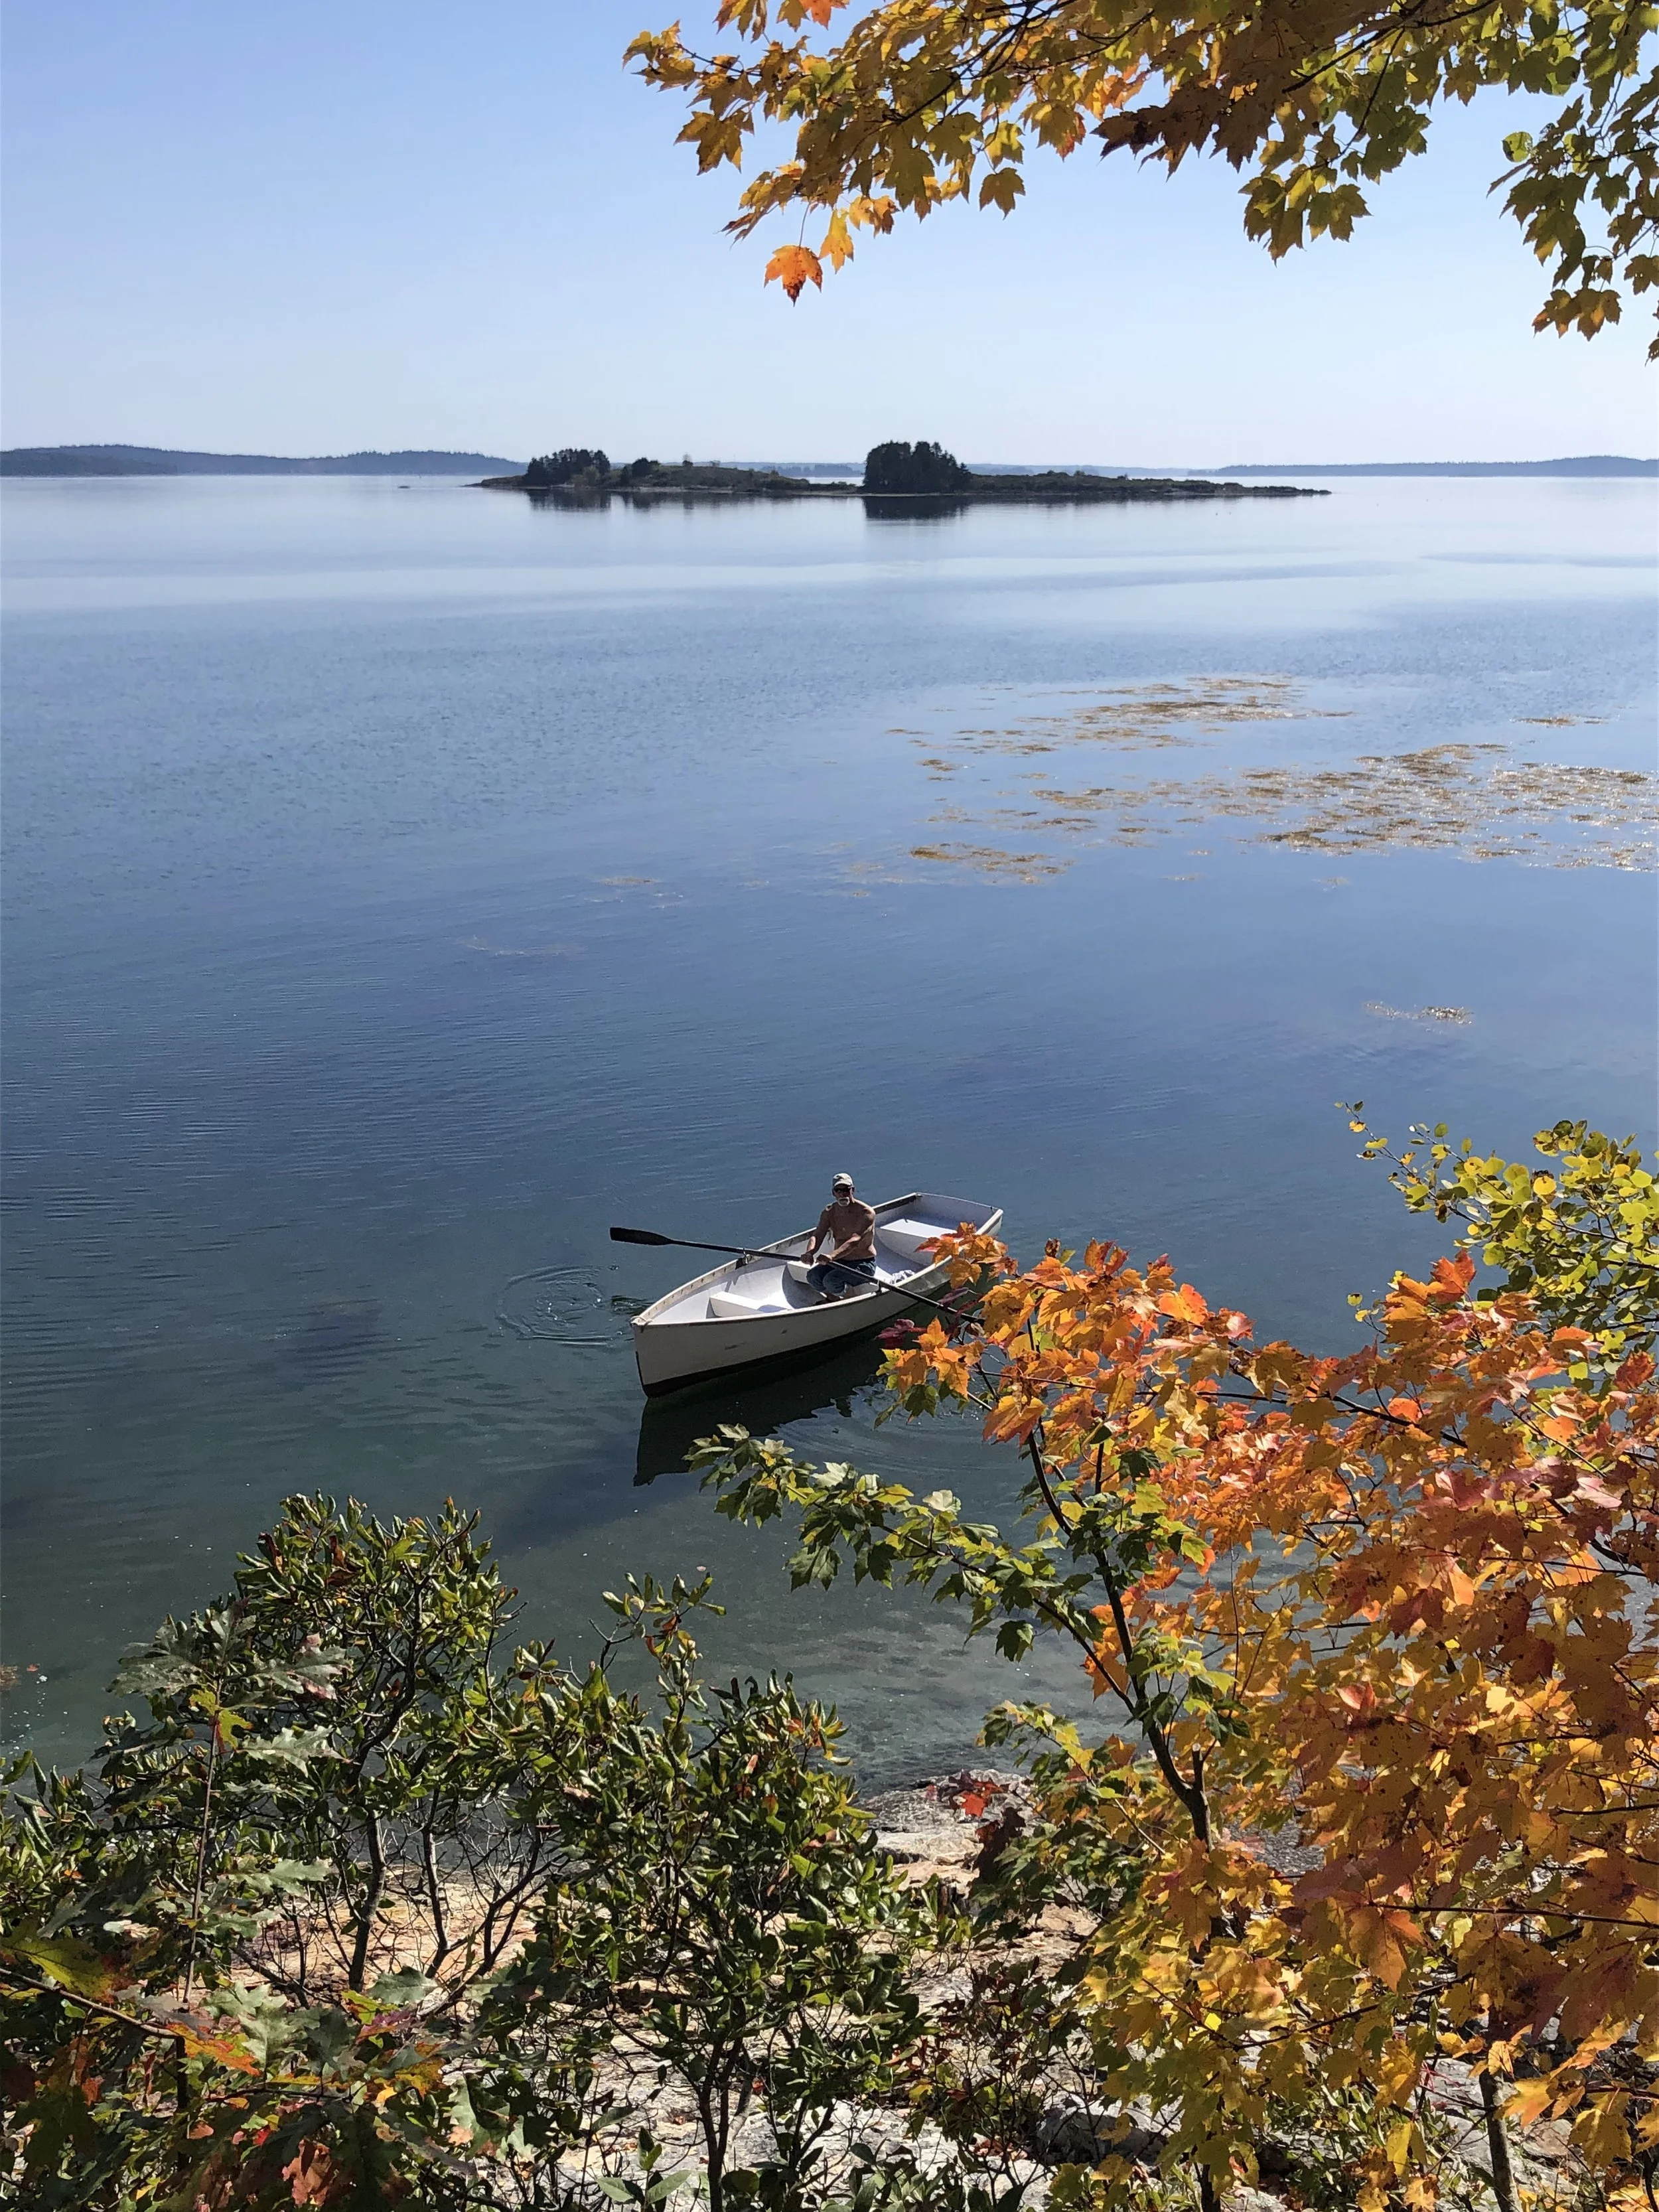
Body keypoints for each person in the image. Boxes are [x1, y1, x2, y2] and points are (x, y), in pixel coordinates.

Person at [803, 1173, 878, 1299]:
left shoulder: (866, 1213)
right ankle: (834, 1299)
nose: (842, 1194)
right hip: (840, 1261)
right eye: (838, 1190)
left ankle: (850, 1299)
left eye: (846, 1190)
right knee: (813, 1276)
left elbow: (855, 1240)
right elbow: (818, 1234)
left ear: (852, 1190)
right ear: (834, 1193)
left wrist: (831, 1256)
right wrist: (809, 1253)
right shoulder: (830, 1212)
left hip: (863, 1263)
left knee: (831, 1280)